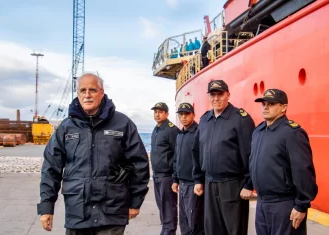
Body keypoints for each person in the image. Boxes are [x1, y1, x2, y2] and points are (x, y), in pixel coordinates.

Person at [37, 73, 150, 235]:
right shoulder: (66, 128)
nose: (87, 95)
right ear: (78, 94)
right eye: (83, 90)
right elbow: (51, 168)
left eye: (92, 90)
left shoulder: (122, 123)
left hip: (112, 212)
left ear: (102, 92)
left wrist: (135, 202)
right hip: (77, 211)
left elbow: (140, 164)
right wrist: (46, 207)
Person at [250, 89, 318, 235]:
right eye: (263, 104)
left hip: (284, 205)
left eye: (271, 104)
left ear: (283, 107)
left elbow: (303, 171)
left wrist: (301, 205)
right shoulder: (258, 132)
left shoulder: (292, 133)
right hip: (262, 203)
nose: (265, 107)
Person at [192, 80, 255, 235]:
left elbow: (251, 154)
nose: (216, 98)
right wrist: (198, 179)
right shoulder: (205, 120)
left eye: (220, 94)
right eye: (213, 94)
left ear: (228, 95)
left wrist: (249, 184)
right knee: (212, 229)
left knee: (234, 230)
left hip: (232, 184)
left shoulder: (241, 119)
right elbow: (197, 151)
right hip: (209, 183)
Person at [172, 103, 204, 235]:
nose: (183, 117)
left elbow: (202, 158)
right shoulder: (180, 135)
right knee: (184, 221)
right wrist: (175, 179)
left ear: (193, 115)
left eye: (187, 114)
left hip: (193, 184)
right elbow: (176, 159)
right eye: (181, 114)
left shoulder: (198, 133)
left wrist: (199, 181)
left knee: (195, 222)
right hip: (183, 184)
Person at [150, 102, 180, 235]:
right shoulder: (156, 129)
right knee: (161, 205)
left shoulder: (171, 130)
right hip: (157, 175)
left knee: (168, 206)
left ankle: (169, 231)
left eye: (160, 112)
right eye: (155, 112)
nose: (157, 114)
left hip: (167, 176)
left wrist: (175, 177)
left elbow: (178, 154)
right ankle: (165, 229)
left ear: (167, 114)